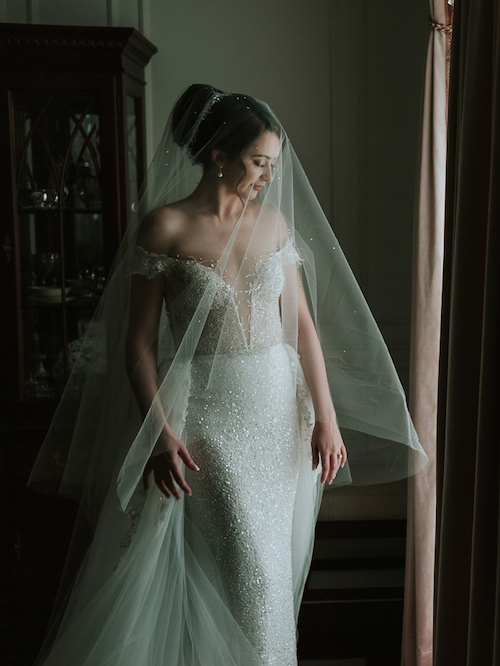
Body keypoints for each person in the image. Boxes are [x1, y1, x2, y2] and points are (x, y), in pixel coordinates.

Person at [29, 84, 428, 666]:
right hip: (207, 424)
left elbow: (305, 333)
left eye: (272, 163)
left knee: (270, 570)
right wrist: (159, 432)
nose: (268, 175)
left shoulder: (273, 226)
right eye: (259, 161)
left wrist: (327, 419)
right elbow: (138, 347)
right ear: (219, 156)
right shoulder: (163, 228)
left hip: (279, 418)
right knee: (252, 581)